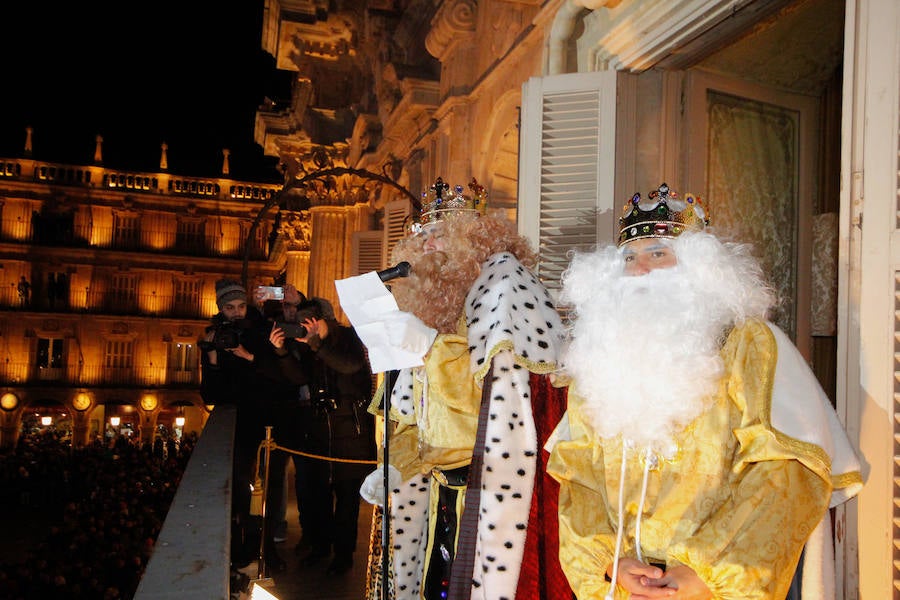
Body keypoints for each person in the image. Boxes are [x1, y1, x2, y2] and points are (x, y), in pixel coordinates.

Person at [546, 183, 864, 599]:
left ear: (699, 267)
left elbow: (786, 471)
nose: (639, 270)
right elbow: (579, 476)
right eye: (629, 257)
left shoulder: (750, 344)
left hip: (714, 587)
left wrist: (702, 571)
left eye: (657, 253)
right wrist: (610, 562)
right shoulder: (599, 358)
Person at [359, 178, 572, 600]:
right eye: (424, 235)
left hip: (487, 499)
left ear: (474, 240)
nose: (429, 245)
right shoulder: (429, 303)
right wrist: (394, 466)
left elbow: (493, 402)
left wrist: (429, 346)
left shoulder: (506, 288)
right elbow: (409, 415)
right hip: (436, 495)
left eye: (442, 234)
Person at [269, 295, 376, 576]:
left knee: (347, 501)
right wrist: (281, 351)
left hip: (350, 432)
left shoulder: (351, 338)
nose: (303, 328)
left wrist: (316, 344)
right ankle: (320, 548)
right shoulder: (308, 347)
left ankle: (343, 556)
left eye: (307, 322)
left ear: (321, 320)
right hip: (318, 432)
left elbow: (350, 367)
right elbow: (300, 378)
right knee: (318, 497)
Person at [199, 278, 296, 574]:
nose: (237, 312)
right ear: (220, 308)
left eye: (241, 305)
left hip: (270, 421)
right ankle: (247, 544)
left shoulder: (265, 330)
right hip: (239, 425)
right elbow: (211, 395)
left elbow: (282, 376)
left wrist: (247, 356)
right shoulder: (216, 337)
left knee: (271, 487)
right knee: (242, 488)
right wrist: (214, 358)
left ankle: (268, 548)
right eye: (229, 307)